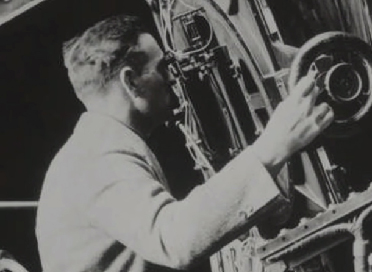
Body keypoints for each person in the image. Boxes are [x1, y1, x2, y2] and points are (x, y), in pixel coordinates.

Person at [35, 15, 334, 272]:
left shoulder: (96, 144)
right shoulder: (96, 157)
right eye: (163, 68)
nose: (173, 80)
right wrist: (274, 145)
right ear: (131, 82)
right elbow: (172, 238)